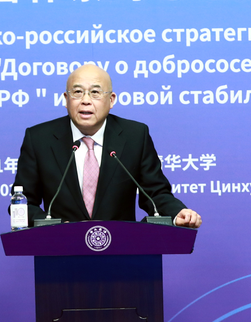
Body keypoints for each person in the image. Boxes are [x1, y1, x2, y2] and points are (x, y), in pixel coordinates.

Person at [12, 64, 203, 228]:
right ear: (66, 99)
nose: (86, 100)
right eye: (77, 92)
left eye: (95, 92)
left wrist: (177, 213)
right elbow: (22, 203)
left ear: (111, 100)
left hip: (121, 248)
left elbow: (155, 193)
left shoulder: (135, 136)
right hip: (60, 249)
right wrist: (57, 227)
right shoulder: (39, 139)